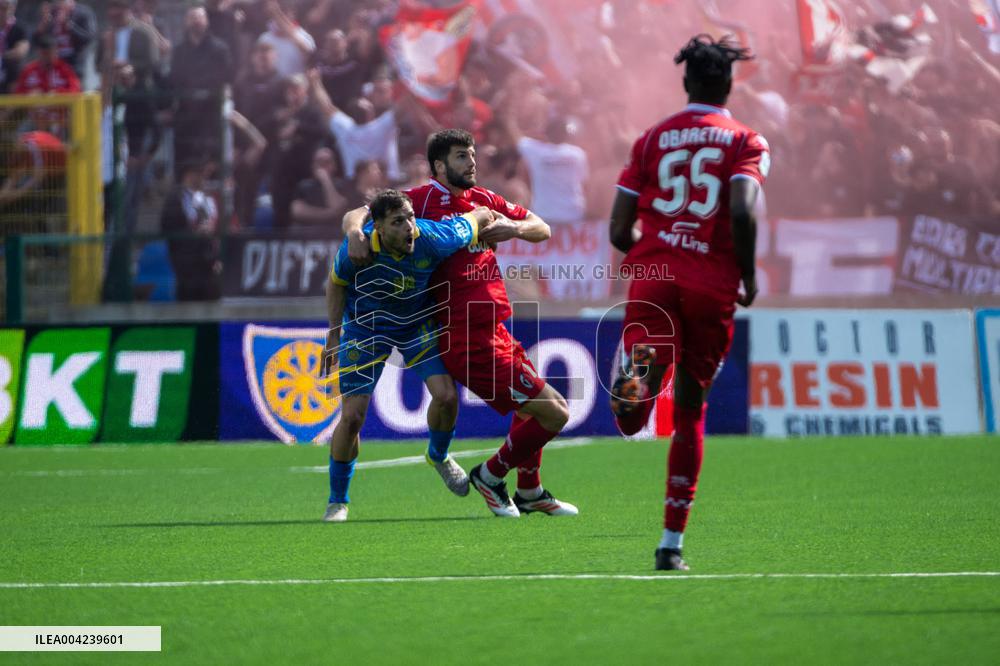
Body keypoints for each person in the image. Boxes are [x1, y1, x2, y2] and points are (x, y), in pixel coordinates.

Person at [342, 129, 576, 519]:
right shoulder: (419, 201)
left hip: (495, 327)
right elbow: (360, 212)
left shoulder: (484, 199)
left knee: (531, 409)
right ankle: (490, 475)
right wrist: (354, 233)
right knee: (556, 412)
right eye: (461, 156)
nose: (471, 162)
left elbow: (542, 227)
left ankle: (530, 491)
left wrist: (515, 228)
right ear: (439, 165)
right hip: (464, 335)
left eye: (472, 155)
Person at [608, 35, 769, 571]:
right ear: (730, 83)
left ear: (685, 82)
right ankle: (670, 543)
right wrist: (747, 274)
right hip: (709, 281)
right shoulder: (746, 140)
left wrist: (653, 247)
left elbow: (618, 229)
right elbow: (742, 209)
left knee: (639, 396)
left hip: (654, 275)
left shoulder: (651, 139)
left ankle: (638, 379)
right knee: (691, 409)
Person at [320, 190, 498, 523]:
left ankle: (439, 456)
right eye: (398, 222)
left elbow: (479, 216)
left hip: (415, 325)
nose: (409, 227)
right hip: (365, 330)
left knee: (447, 397)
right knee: (353, 417)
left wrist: (494, 224)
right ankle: (337, 501)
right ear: (378, 228)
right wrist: (333, 335)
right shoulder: (357, 248)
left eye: (411, 218)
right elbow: (335, 284)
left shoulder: (431, 237)